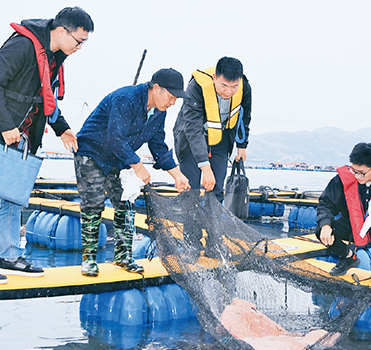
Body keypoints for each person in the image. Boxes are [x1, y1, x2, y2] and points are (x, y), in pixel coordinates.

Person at [0, 7, 93, 284]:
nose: (80, 47)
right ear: (61, 31)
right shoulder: (23, 45)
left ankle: (10, 256)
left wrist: (62, 128)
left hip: (23, 135)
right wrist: (6, 126)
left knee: (13, 198)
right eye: (79, 41)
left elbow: (45, 97)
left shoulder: (54, 56)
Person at [73, 68, 191, 277]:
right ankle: (89, 260)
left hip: (118, 158)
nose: (173, 103)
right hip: (91, 153)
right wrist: (138, 166)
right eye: (171, 97)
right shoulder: (126, 98)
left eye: (176, 99)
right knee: (94, 203)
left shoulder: (159, 112)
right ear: (156, 88)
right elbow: (115, 138)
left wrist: (177, 174)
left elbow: (158, 145)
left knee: (125, 203)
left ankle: (123, 257)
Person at [316, 142, 371, 285]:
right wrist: (325, 224)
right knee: (322, 229)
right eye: (354, 170)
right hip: (351, 224)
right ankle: (348, 257)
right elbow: (326, 203)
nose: (357, 176)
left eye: (362, 173)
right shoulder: (341, 179)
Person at [173, 57, 251, 201]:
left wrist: (242, 146)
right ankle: (189, 222)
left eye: (234, 86)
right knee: (190, 189)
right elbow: (193, 128)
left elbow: (245, 117)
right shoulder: (196, 87)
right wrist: (205, 166)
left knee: (216, 188)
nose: (229, 91)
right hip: (191, 139)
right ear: (215, 77)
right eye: (224, 85)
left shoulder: (244, 87)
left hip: (220, 139)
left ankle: (212, 222)